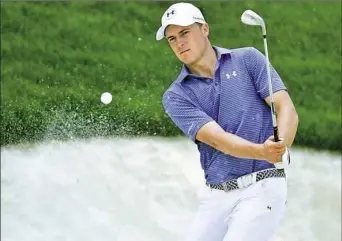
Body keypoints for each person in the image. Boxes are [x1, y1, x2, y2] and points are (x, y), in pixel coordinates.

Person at [155, 2, 299, 241]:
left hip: (262, 186)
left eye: (184, 33)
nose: (179, 43)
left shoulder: (248, 59)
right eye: (171, 39)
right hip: (216, 195)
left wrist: (281, 145)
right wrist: (263, 151)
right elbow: (219, 140)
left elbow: (286, 108)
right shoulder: (176, 95)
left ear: (204, 29)